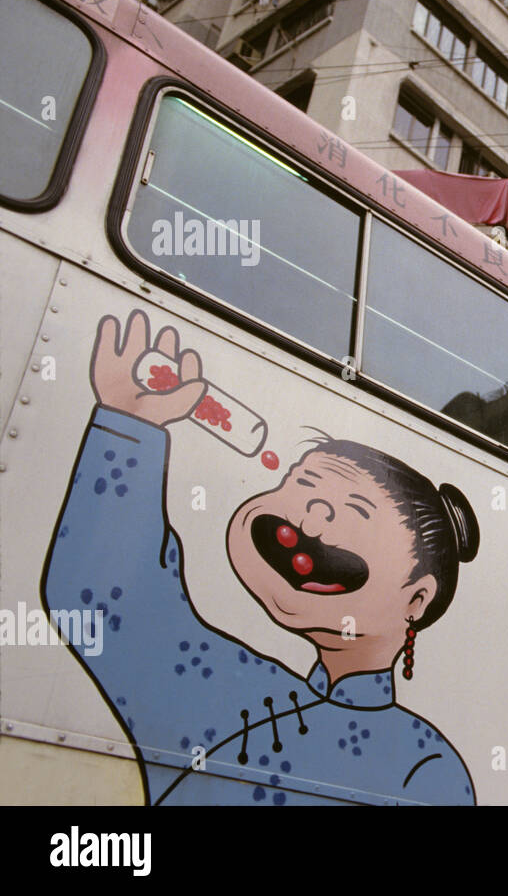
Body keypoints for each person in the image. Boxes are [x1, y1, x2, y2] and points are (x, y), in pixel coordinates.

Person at [42, 311, 479, 805]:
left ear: (417, 597)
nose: (311, 517)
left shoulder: (424, 766)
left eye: (354, 512)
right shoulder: (226, 681)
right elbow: (107, 605)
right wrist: (129, 427)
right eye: (304, 484)